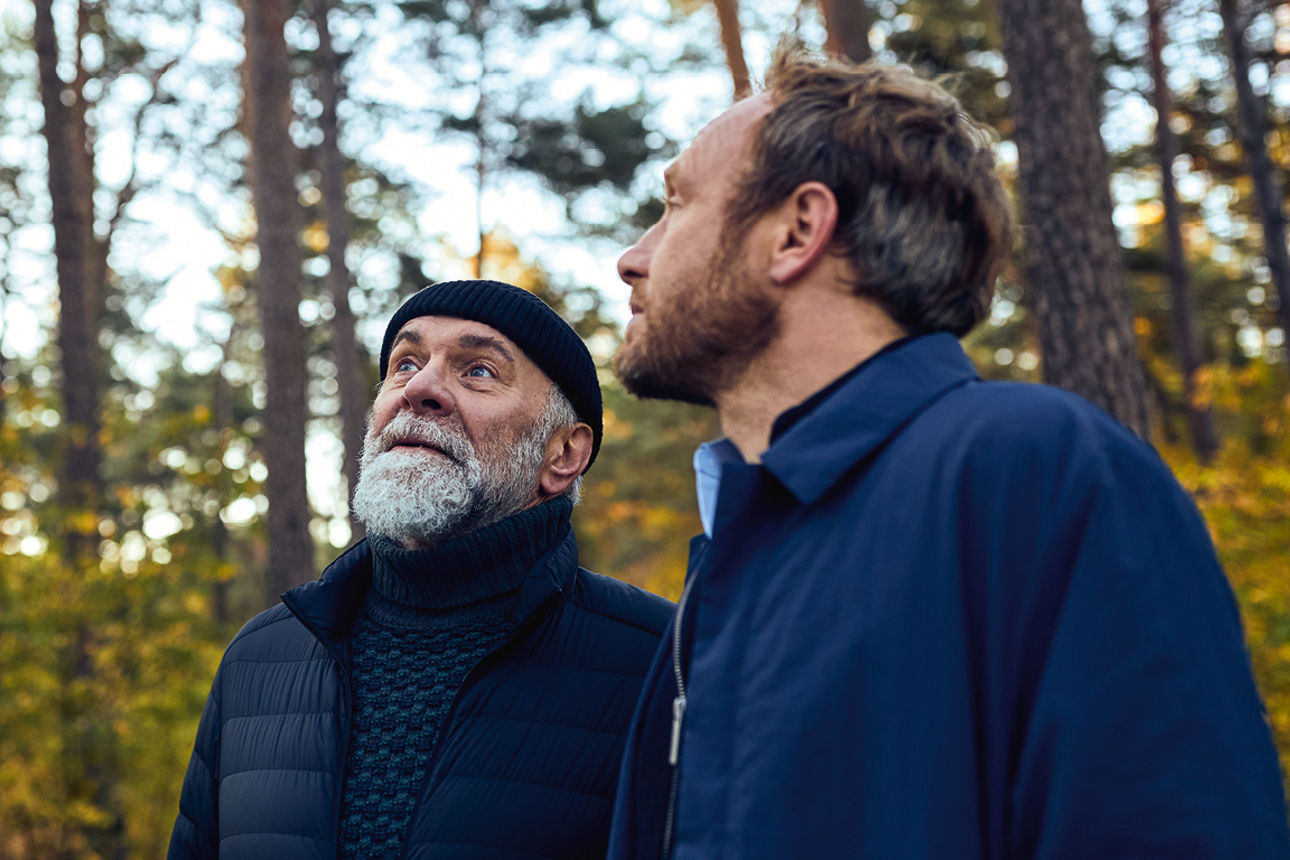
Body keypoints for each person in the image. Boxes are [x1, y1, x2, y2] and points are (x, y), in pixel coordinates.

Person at [607, 51, 1290, 859]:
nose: (633, 257)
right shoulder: (725, 567)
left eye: (676, 204)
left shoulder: (1034, 470)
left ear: (796, 231)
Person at [169, 279, 673, 860]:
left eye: (478, 370)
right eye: (405, 364)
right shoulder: (261, 658)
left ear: (563, 454)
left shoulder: (664, 663)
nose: (421, 389)